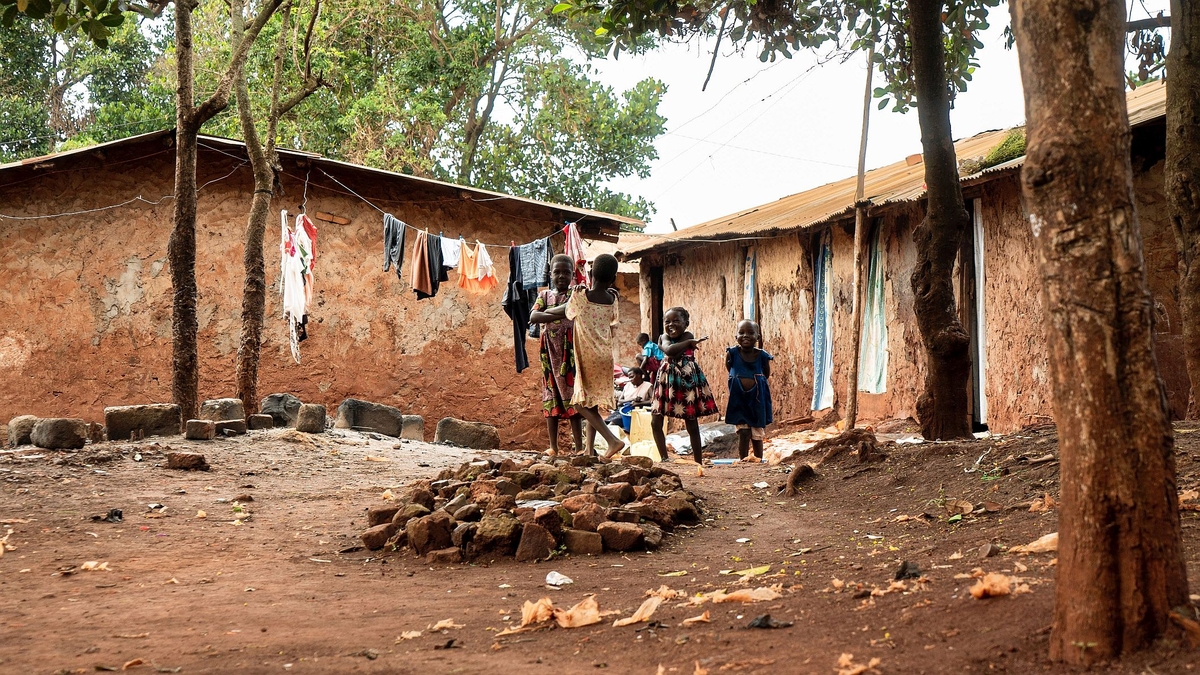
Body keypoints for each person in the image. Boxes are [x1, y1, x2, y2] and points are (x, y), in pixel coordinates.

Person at [541, 253, 626, 457]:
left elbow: (564, 312)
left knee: (579, 403)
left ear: (589, 273)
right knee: (593, 403)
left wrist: (541, 314)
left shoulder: (581, 296)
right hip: (606, 356)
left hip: (587, 357)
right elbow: (613, 320)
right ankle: (588, 450)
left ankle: (612, 441)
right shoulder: (612, 298)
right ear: (612, 279)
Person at [529, 254, 584, 456]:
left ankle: (579, 447)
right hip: (549, 354)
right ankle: (553, 446)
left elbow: (576, 311)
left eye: (566, 272)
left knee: (573, 396)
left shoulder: (576, 294)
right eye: (557, 272)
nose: (561, 276)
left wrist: (551, 314)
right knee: (550, 394)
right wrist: (563, 312)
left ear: (572, 275)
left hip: (569, 354)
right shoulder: (544, 296)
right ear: (550, 274)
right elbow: (534, 316)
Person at [650, 306, 718, 463]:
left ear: (686, 323)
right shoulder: (672, 338)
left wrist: (667, 346)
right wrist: (687, 344)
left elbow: (672, 351)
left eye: (676, 321)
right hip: (666, 381)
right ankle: (664, 458)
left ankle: (698, 461)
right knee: (655, 420)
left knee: (691, 422)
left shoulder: (688, 334)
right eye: (667, 321)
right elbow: (670, 350)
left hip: (686, 380)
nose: (671, 325)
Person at [725, 320, 773, 462]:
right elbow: (729, 369)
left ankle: (758, 460)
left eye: (751, 333)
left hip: (757, 399)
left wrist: (756, 384)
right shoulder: (732, 353)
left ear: (758, 337)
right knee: (744, 432)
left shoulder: (762, 355)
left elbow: (766, 373)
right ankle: (744, 461)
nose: (745, 336)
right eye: (741, 332)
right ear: (736, 336)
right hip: (739, 398)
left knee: (757, 433)